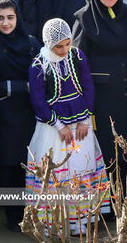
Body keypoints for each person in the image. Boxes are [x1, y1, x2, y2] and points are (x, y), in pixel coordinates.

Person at [26, 18, 109, 236]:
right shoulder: (38, 65)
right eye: (58, 46)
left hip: (80, 126)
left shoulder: (77, 55)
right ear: (47, 43)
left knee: (81, 171)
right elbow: (38, 100)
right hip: (53, 129)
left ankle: (79, 224)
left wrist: (85, 120)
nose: (63, 50)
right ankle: (54, 225)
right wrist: (59, 126)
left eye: (67, 44)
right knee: (57, 175)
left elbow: (88, 85)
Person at [72, 0, 127, 168]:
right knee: (107, 146)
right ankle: (108, 196)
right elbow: (77, 62)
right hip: (101, 97)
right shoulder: (84, 17)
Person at [0, 0, 40, 232]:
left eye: (10, 17)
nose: (5, 23)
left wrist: (26, 87)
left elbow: (41, 78)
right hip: (3, 116)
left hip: (30, 116)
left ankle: (31, 214)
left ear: (18, 18)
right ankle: (12, 215)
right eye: (0, 18)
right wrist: (22, 86)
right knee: (7, 166)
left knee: (29, 165)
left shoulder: (31, 44)